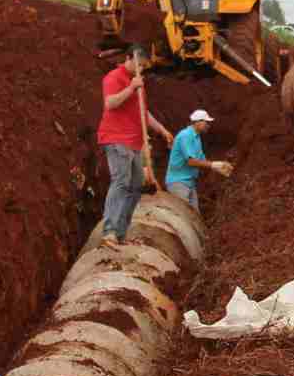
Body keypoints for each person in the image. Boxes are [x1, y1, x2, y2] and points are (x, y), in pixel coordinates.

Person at [98, 45, 174, 246]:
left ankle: (120, 234)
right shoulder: (114, 77)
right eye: (139, 64)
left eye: (145, 66)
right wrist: (131, 87)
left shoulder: (139, 83)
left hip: (134, 142)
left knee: (135, 186)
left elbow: (143, 113)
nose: (142, 68)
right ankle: (109, 232)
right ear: (128, 58)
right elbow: (110, 103)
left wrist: (162, 130)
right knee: (121, 181)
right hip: (116, 139)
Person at [165, 109, 232, 211]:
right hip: (178, 182)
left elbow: (202, 160)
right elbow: (191, 161)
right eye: (206, 122)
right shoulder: (185, 136)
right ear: (198, 122)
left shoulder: (196, 138)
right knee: (184, 216)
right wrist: (214, 165)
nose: (208, 125)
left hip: (189, 183)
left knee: (194, 217)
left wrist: (218, 167)